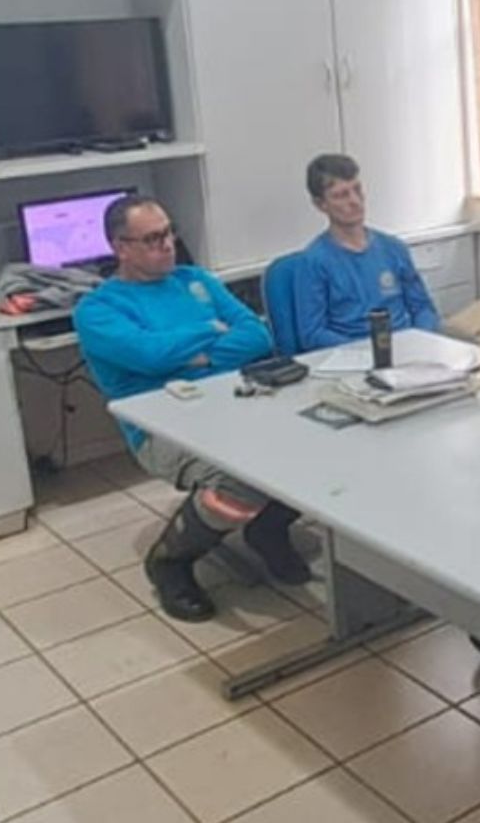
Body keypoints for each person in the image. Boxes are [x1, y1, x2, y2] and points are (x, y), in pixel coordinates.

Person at [74, 196, 312, 621]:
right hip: (162, 426)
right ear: (120, 247)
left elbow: (256, 335)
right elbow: (149, 356)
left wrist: (195, 359)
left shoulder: (196, 280)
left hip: (235, 404)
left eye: (169, 233)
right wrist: (209, 328)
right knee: (236, 480)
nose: (167, 245)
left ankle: (268, 528)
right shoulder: (98, 310)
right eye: (152, 239)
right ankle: (171, 560)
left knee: (318, 442)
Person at [290, 153, 440, 351]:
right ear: (320, 204)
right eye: (341, 195)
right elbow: (313, 333)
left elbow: (423, 308)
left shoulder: (393, 248)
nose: (354, 201)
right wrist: (367, 352)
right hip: (352, 354)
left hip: (404, 348)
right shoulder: (314, 262)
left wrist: (421, 339)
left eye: (357, 190)